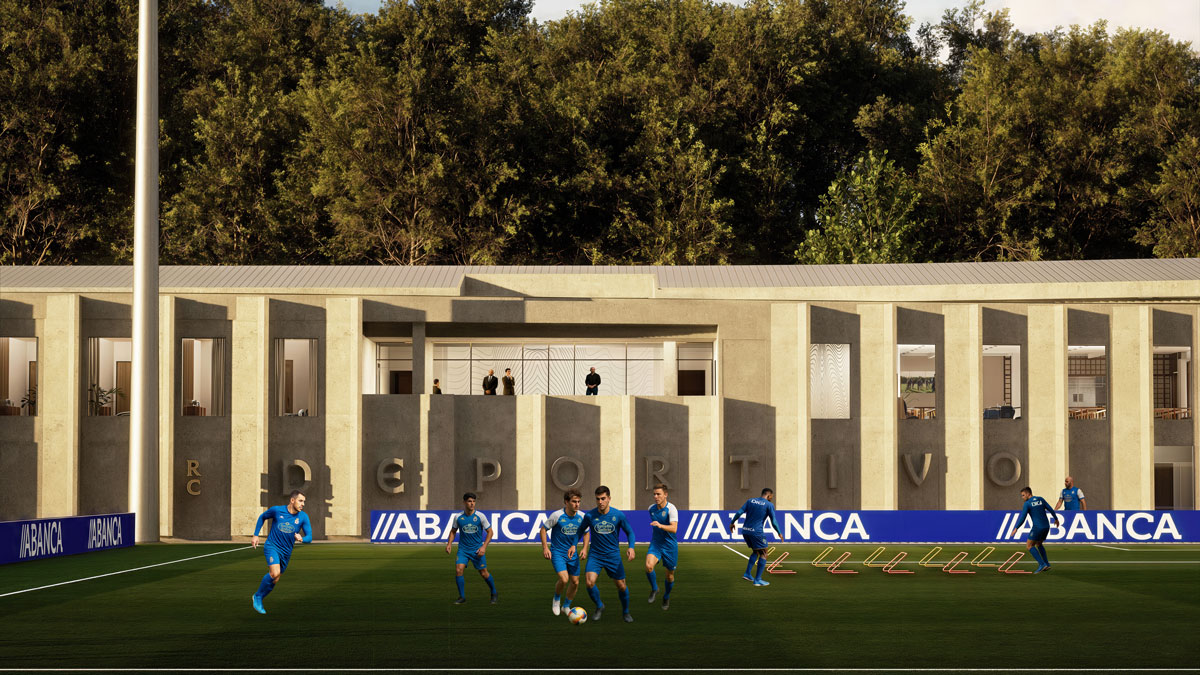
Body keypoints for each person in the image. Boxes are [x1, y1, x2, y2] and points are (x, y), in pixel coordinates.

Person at [578, 485, 637, 622]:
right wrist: (578, 547)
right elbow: (580, 531)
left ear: (609, 498)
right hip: (595, 555)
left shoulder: (618, 515)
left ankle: (626, 612)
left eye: (603, 498)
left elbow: (630, 532)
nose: (600, 502)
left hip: (613, 556)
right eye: (598, 499)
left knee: (621, 586)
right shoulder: (590, 515)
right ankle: (599, 606)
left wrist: (631, 547)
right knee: (589, 582)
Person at [250, 489, 312, 614]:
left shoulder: (303, 517)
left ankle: (260, 596)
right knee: (274, 573)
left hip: (286, 552)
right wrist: (256, 535)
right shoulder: (277, 510)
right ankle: (257, 597)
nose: (303, 504)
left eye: (304, 502)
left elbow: (309, 537)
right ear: (292, 500)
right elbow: (263, 517)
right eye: (300, 501)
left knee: (276, 578)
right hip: (272, 546)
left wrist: (302, 538)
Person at [445, 492, 497, 604]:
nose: (472, 504)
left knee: (484, 573)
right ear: (464, 502)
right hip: (463, 550)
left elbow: (490, 532)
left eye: (473, 501)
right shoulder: (458, 517)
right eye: (469, 501)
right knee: (459, 570)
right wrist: (449, 544)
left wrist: (484, 547)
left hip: (477, 550)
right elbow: (453, 531)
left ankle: (493, 592)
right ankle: (462, 597)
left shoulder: (480, 516)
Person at [539, 489, 585, 616]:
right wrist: (545, 548)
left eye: (579, 502)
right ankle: (556, 600)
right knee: (564, 579)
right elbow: (543, 530)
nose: (577, 504)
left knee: (575, 582)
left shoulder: (582, 516)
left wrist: (585, 548)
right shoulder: (557, 515)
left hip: (573, 554)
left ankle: (566, 606)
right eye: (574, 501)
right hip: (558, 552)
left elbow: (586, 533)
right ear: (566, 502)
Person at [729, 488, 781, 587]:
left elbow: (739, 512)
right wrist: (779, 532)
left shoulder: (750, 500)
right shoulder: (769, 505)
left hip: (745, 531)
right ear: (769, 495)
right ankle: (758, 580)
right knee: (764, 552)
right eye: (772, 497)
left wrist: (732, 522)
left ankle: (747, 574)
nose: (771, 499)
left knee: (756, 551)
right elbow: (773, 521)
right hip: (756, 532)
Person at [1008, 486, 1060, 573]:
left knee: (1029, 546)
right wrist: (1056, 519)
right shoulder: (1041, 499)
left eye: (1023, 495)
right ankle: (1047, 564)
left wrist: (1016, 528)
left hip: (1037, 527)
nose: (1022, 497)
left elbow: (1023, 517)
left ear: (1028, 494)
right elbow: (1050, 509)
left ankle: (1042, 564)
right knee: (1039, 544)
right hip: (1046, 527)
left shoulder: (1027, 503)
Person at [645, 483, 678, 610]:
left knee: (669, 575)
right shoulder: (651, 508)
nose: (656, 496)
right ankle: (655, 589)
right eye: (654, 494)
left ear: (665, 495)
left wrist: (660, 525)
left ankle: (666, 596)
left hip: (670, 546)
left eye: (658, 494)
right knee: (648, 566)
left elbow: (674, 528)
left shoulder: (671, 509)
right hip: (656, 543)